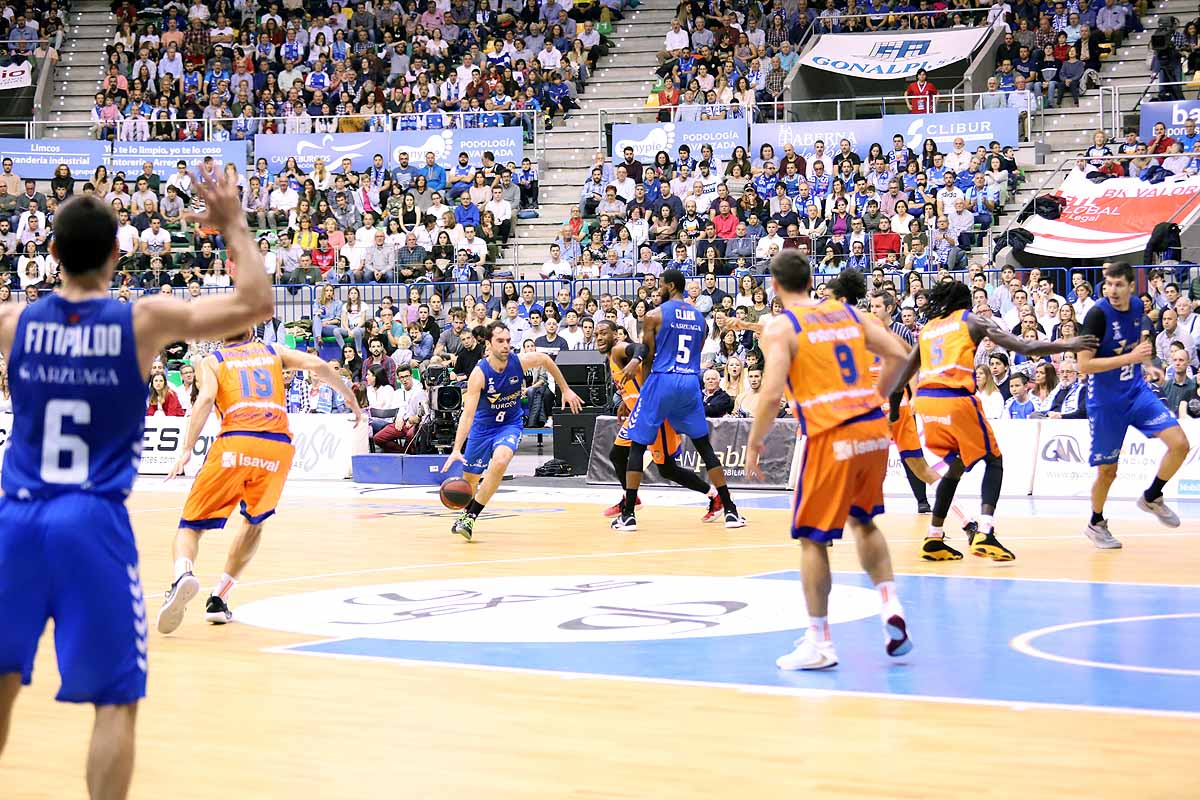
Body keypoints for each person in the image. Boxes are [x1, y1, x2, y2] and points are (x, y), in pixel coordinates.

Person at [0, 168, 275, 800]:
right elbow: (257, 304)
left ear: (50, 254)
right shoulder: (139, 321)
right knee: (116, 701)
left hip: (15, 519)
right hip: (90, 523)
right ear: (119, 255)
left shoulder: (16, 324)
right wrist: (232, 220)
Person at [746, 250, 912, 670]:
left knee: (813, 538)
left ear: (774, 285)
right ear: (810, 279)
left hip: (830, 433)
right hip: (873, 430)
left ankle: (819, 642)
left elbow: (769, 393)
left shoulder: (783, 326)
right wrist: (879, 396)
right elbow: (903, 353)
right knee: (864, 520)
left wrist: (754, 441)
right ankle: (890, 603)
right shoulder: (845, 314)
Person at [156, 327, 363, 630]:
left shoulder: (212, 361)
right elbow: (318, 366)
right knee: (255, 521)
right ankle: (219, 599)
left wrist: (186, 449)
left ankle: (182, 576)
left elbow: (206, 399)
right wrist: (350, 398)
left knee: (190, 526)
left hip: (236, 441)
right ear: (252, 331)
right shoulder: (273, 352)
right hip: (277, 446)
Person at [892, 281, 1097, 562]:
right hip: (955, 397)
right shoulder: (970, 319)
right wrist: (1067, 343)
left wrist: (893, 411)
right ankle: (985, 531)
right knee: (994, 459)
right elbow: (1023, 344)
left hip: (927, 406)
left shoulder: (927, 330)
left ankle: (934, 536)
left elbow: (899, 378)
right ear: (966, 302)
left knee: (955, 467)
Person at [610, 269, 745, 531]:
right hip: (689, 381)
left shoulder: (654, 314)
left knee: (637, 445)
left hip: (662, 379)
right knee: (704, 447)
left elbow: (647, 356)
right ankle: (730, 510)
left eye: (660, 285)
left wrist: (648, 389)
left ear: (670, 286)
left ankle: (628, 514)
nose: (657, 289)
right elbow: (697, 349)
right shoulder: (701, 319)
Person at [1078, 261, 1192, 549]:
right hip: (1105, 402)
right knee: (1108, 471)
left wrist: (1147, 363)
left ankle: (1152, 496)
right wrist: (1131, 359)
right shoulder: (1096, 316)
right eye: (1108, 284)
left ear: (1131, 287)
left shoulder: (1138, 308)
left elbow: (1135, 345)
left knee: (1180, 444)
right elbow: (1084, 364)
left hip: (1136, 391)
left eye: (1118, 284)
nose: (1112, 290)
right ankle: (1096, 522)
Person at [441, 322, 583, 541]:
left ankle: (471, 516)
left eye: (508, 340)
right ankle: (465, 514)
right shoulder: (479, 374)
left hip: (510, 424)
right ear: (488, 344)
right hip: (482, 428)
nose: (506, 345)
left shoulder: (518, 362)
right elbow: (467, 415)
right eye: (500, 341)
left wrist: (565, 389)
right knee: (469, 481)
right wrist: (456, 448)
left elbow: (545, 360)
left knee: (500, 461)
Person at [595, 320, 722, 521]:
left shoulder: (620, 348)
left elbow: (640, 348)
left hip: (655, 413)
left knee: (667, 468)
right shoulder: (611, 356)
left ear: (616, 335)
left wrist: (635, 360)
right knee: (617, 455)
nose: (599, 338)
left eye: (603, 333)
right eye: (596, 335)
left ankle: (715, 496)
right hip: (638, 413)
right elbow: (633, 384)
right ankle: (630, 498)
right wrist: (625, 401)